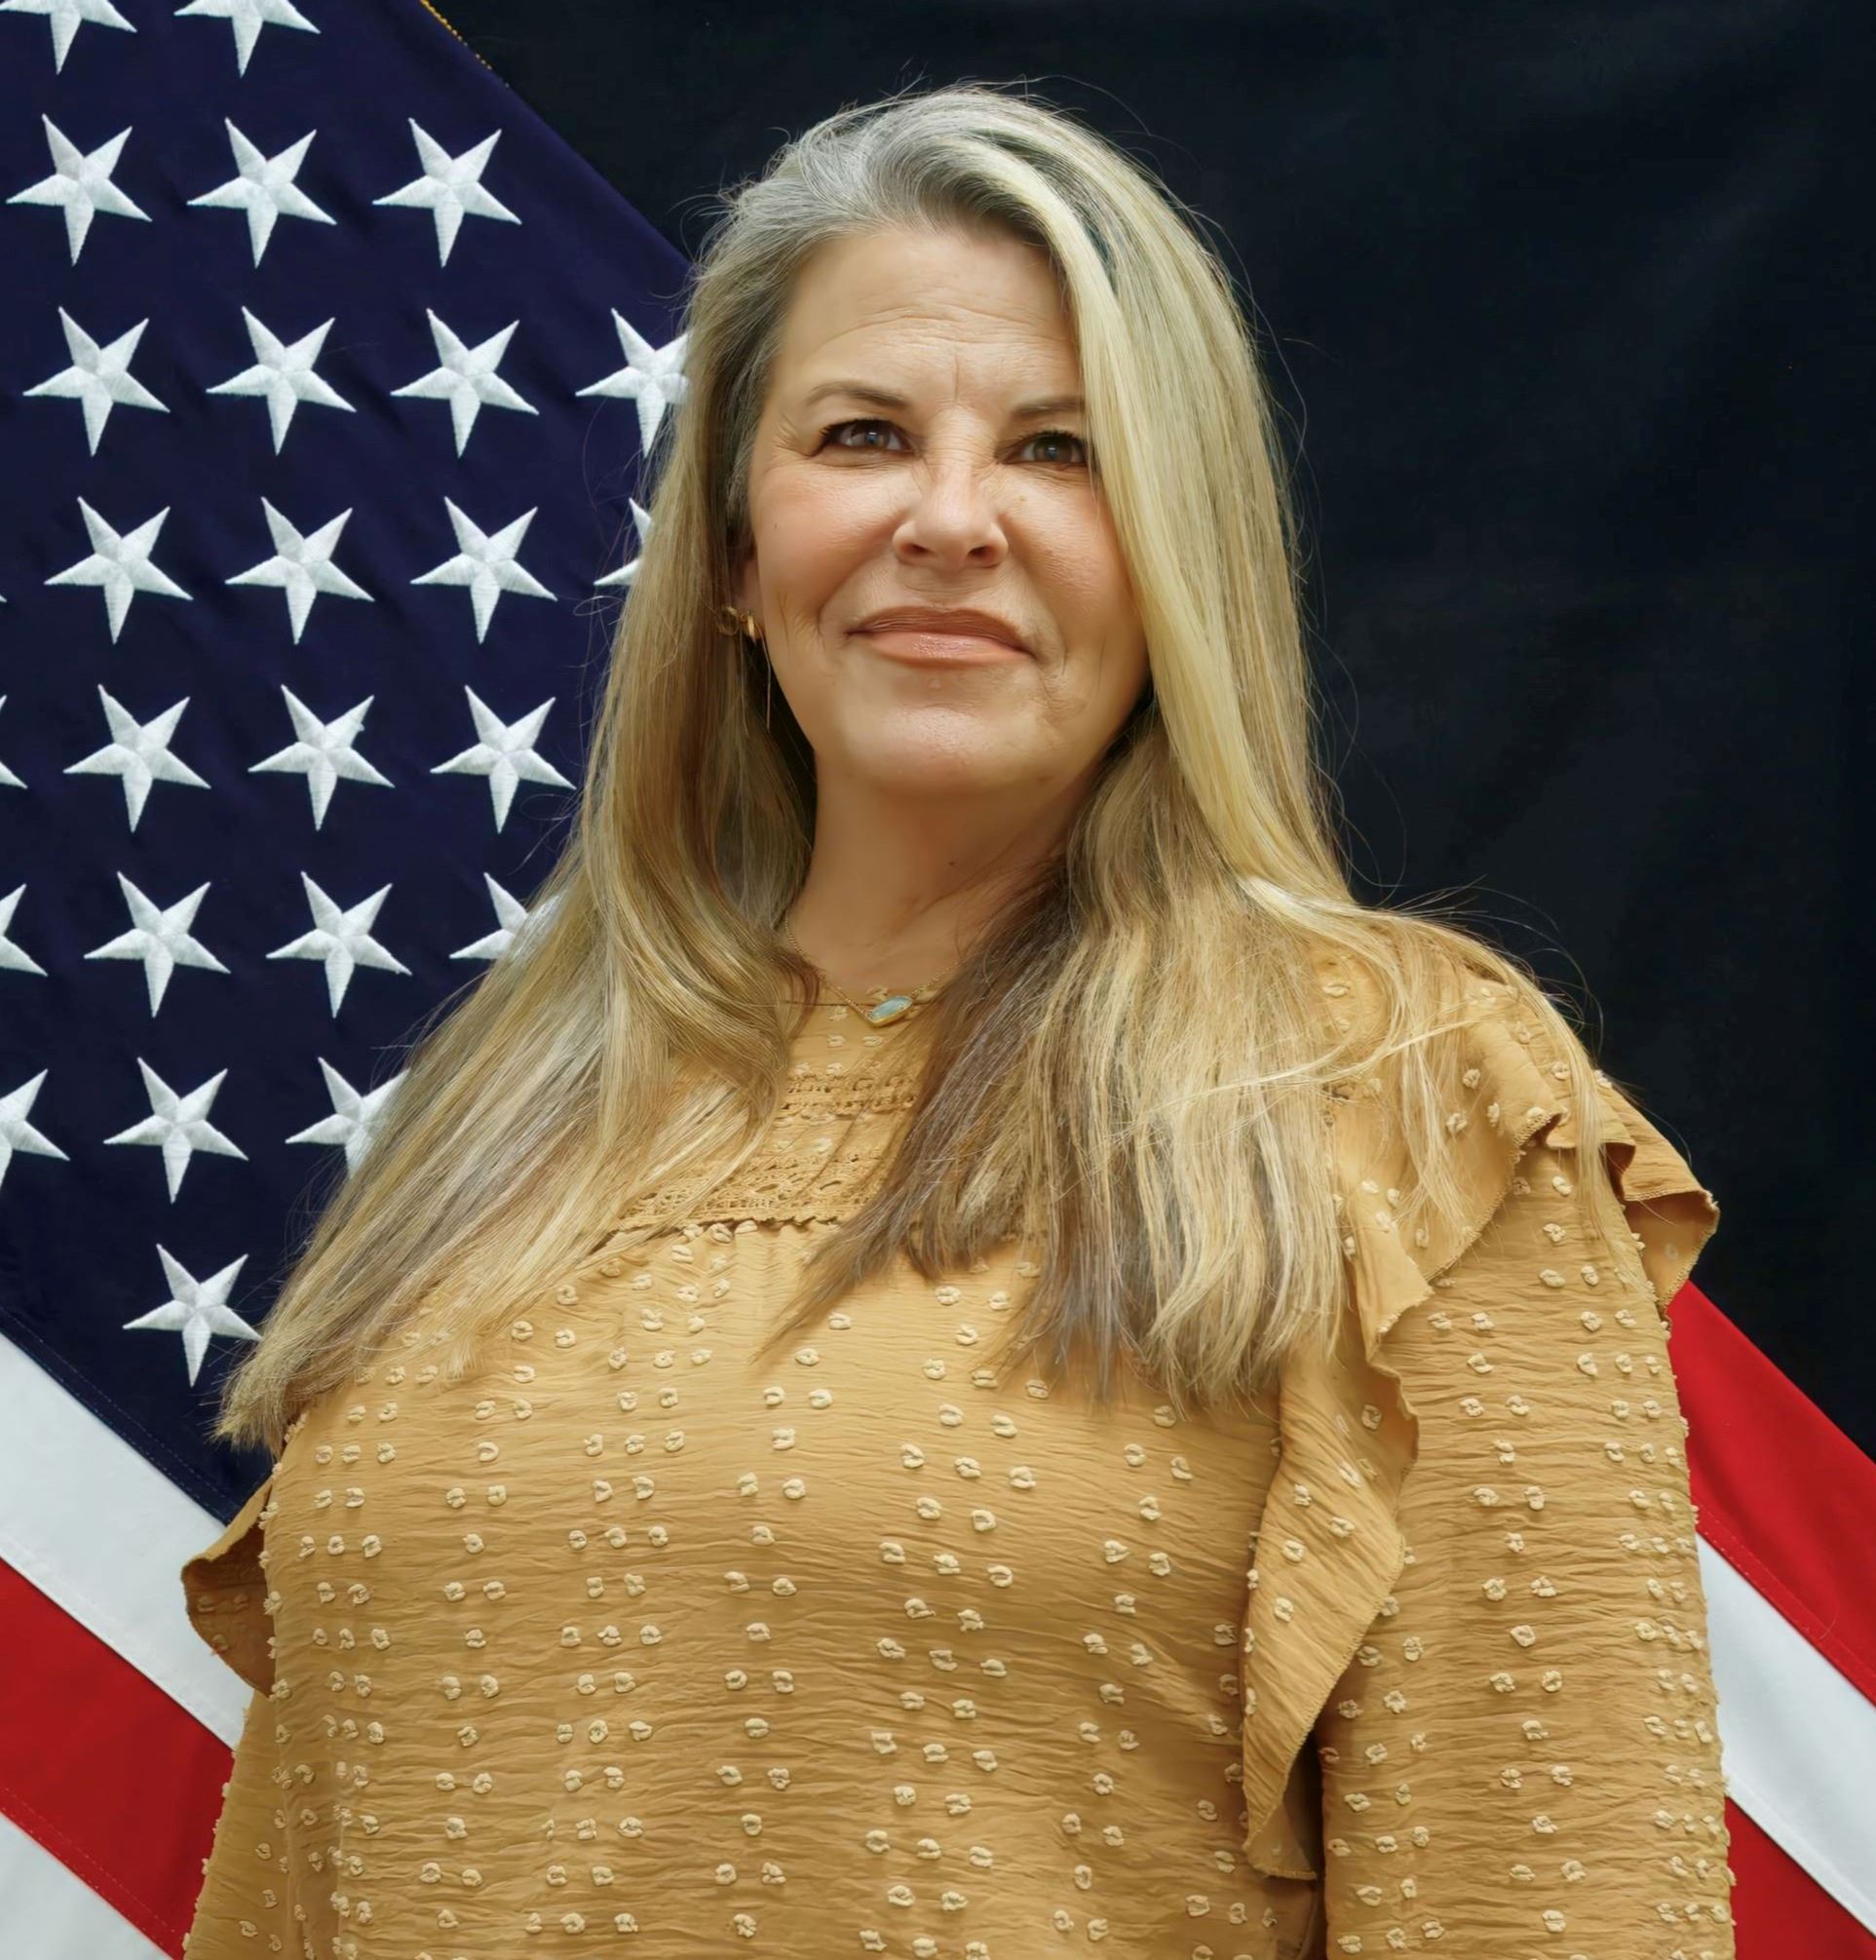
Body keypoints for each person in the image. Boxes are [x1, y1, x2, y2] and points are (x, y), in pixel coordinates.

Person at [179, 82, 1735, 1960]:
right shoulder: (511, 1104)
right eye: (860, 434)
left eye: (1062, 451)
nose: (948, 519)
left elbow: (1551, 1904)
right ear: (738, 557)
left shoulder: (1401, 1090)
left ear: (1183, 562)